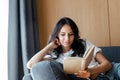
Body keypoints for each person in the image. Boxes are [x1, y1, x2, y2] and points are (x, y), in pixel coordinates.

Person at [23, 17, 120, 80]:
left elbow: (107, 64)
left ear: (75, 35)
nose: (67, 39)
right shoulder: (53, 56)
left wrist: (91, 71)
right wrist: (50, 46)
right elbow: (30, 65)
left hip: (110, 72)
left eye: (70, 35)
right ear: (56, 35)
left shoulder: (84, 44)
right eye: (62, 35)